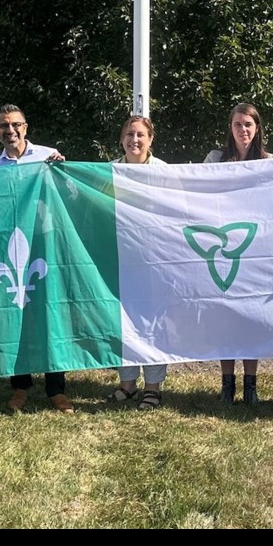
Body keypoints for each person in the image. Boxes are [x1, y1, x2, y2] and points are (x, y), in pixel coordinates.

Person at [0, 104, 71, 413]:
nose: (10, 130)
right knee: (16, 318)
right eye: (3, 126)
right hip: (13, 249)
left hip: (47, 247)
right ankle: (19, 386)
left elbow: (72, 195)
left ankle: (56, 389)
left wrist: (64, 172)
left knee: (51, 316)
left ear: (26, 126)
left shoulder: (49, 157)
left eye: (15, 125)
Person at [203, 102, 273, 404]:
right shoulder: (215, 158)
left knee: (250, 318)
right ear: (230, 128)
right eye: (237, 125)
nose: (243, 130)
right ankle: (227, 385)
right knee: (225, 318)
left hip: (254, 250)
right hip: (223, 245)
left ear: (257, 128)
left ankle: (251, 386)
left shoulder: (269, 161)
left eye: (248, 124)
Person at [109, 115, 168, 411]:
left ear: (150, 139)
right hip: (120, 259)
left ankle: (153, 387)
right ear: (121, 139)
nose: (134, 140)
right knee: (124, 321)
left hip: (155, 260)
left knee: (153, 322)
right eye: (129, 134)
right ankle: (127, 383)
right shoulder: (109, 173)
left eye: (140, 135)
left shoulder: (164, 173)